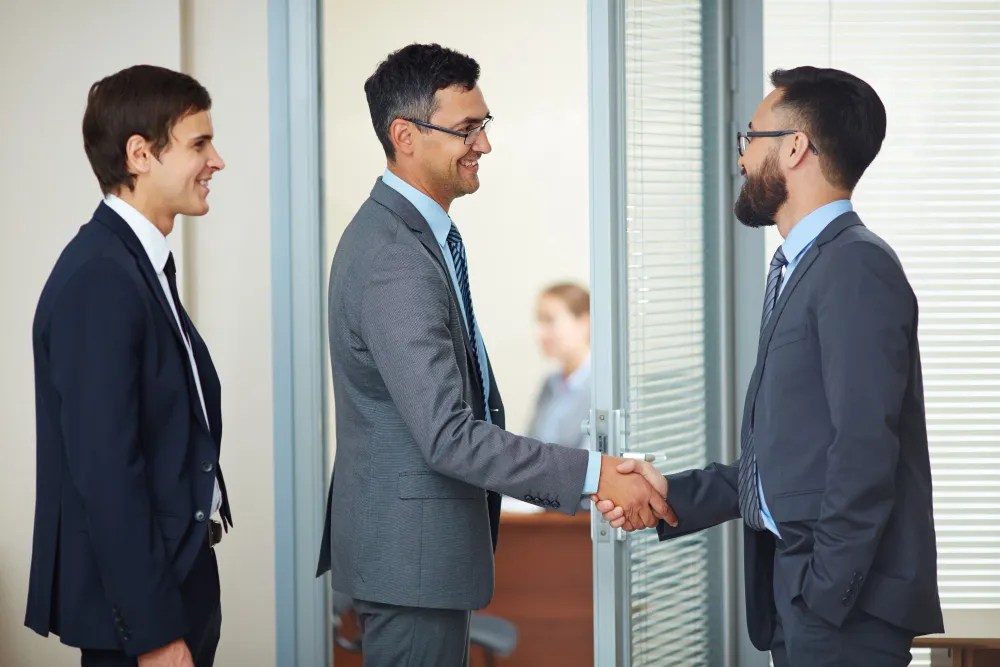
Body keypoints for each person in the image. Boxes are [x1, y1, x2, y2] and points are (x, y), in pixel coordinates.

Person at [315, 43, 675, 666]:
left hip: (416, 564)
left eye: (485, 125)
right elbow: (448, 434)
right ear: (405, 135)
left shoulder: (416, 238)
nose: (484, 144)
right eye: (467, 129)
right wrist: (595, 475)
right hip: (409, 568)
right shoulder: (395, 258)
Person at [597, 66, 943, 666]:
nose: (740, 159)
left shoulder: (854, 267)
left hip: (840, 612)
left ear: (793, 147)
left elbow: (864, 451)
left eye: (749, 139)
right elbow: (793, 459)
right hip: (803, 598)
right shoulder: (804, 268)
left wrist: (825, 594)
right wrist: (671, 494)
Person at [25, 65, 230, 667]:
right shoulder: (100, 277)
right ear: (140, 154)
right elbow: (106, 470)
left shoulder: (136, 264)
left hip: (178, 579)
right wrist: (156, 633)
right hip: (143, 613)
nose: (216, 161)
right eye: (199, 144)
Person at [526, 283, 591, 450]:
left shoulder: (601, 388)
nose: (539, 333)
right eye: (539, 320)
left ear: (585, 323)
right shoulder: (550, 383)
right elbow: (529, 448)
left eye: (549, 320)